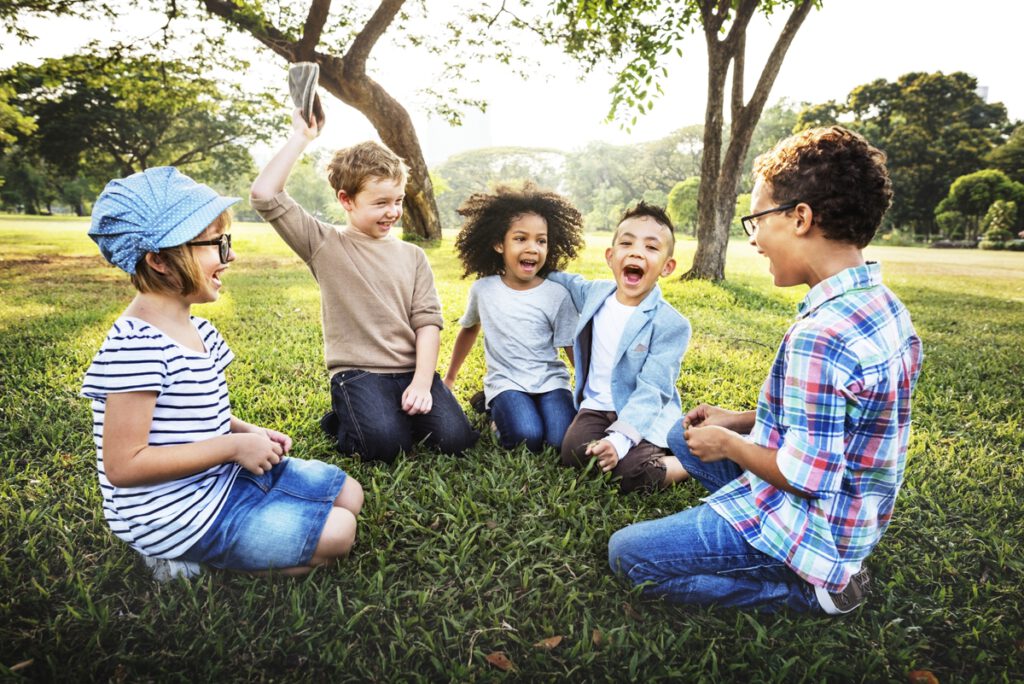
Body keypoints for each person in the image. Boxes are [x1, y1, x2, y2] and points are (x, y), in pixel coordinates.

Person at [608, 126, 924, 614]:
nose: (753, 239)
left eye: (756, 220)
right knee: (680, 435)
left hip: (814, 526)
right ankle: (745, 525)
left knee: (629, 555)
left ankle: (809, 591)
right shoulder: (881, 305)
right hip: (854, 515)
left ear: (799, 218)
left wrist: (729, 444)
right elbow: (839, 420)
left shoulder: (823, 335)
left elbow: (809, 478)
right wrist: (736, 421)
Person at [82, 167, 363, 580]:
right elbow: (125, 465)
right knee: (340, 533)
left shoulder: (199, 330)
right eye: (216, 244)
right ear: (159, 259)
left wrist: (246, 432)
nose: (229, 257)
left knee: (350, 495)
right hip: (174, 514)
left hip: (219, 480)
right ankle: (192, 564)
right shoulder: (137, 347)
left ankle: (238, 536)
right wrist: (231, 449)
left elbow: (193, 416)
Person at [250, 109, 478, 464]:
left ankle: (394, 413)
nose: (393, 212)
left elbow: (428, 323)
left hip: (410, 370)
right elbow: (265, 195)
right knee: (385, 447)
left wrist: (421, 383)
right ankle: (344, 417)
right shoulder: (323, 243)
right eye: (381, 203)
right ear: (346, 200)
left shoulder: (413, 255)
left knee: (455, 440)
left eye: (398, 201)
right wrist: (302, 137)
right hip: (358, 374)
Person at [546, 202, 691, 493]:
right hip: (597, 408)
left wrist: (619, 440)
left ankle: (687, 461)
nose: (637, 252)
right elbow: (560, 278)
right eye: (627, 243)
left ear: (667, 267)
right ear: (611, 257)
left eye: (651, 248)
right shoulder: (595, 293)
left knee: (630, 474)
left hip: (644, 412)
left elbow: (653, 390)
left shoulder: (671, 324)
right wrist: (525, 263)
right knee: (573, 454)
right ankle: (619, 449)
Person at [443, 183, 583, 453]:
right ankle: (495, 411)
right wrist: (450, 377)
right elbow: (469, 330)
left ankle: (500, 407)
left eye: (541, 240)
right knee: (525, 437)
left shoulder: (557, 294)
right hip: (507, 381)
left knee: (558, 441)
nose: (533, 248)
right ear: (498, 244)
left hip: (551, 381)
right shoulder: (484, 290)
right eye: (521, 239)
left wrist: (590, 389)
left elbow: (570, 345)